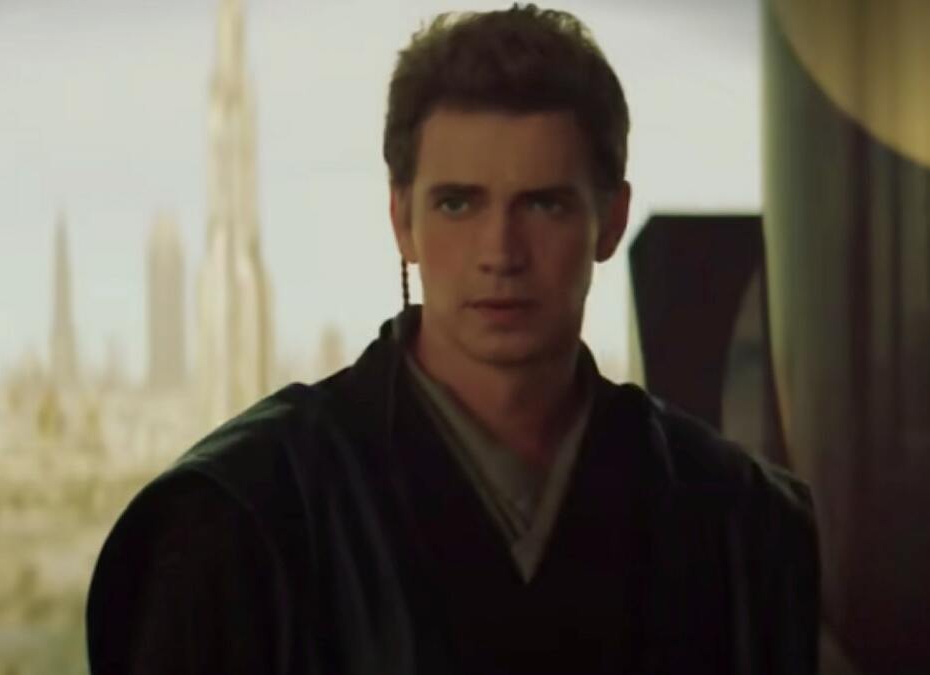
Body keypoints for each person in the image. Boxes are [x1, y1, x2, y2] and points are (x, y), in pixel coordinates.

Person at [85, 4, 818, 674]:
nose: (500, 252)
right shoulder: (238, 521)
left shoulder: (741, 525)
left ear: (612, 220)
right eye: (459, 204)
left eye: (544, 204)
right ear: (402, 220)